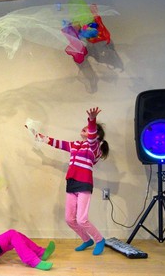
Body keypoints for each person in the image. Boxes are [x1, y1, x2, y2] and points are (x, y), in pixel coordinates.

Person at [26, 107, 109, 255]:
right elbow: (54, 142)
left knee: (82, 219)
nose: (86, 130)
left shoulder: (95, 147)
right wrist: (35, 133)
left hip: (84, 183)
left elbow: (92, 136)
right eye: (85, 128)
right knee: (70, 219)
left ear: (96, 136)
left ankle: (99, 239)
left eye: (89, 130)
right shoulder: (75, 145)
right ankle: (86, 240)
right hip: (71, 183)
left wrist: (92, 120)